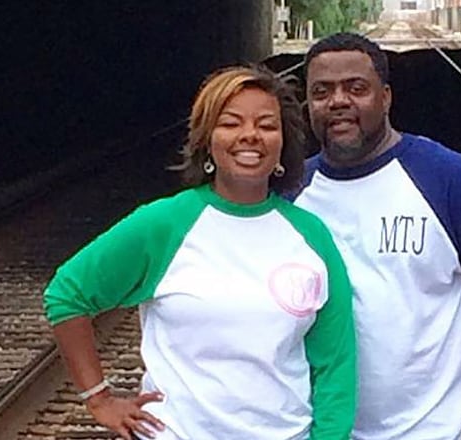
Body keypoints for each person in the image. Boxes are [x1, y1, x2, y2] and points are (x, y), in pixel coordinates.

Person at [43, 65, 357, 440]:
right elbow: (68, 294)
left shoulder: (311, 235)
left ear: (282, 147)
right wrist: (99, 399)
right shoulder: (164, 224)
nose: (250, 136)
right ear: (207, 140)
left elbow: (334, 362)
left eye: (267, 125)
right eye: (231, 123)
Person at [293, 33, 461, 440]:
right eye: (322, 91)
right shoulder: (290, 195)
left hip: (439, 429)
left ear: (385, 97)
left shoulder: (451, 180)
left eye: (356, 88)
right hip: (325, 430)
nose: (338, 101)